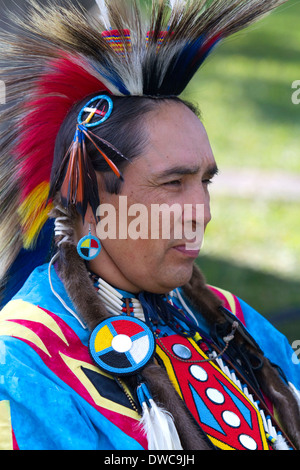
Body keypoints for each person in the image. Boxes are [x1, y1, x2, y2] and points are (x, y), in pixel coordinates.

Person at [0, 0, 299, 451]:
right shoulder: (25, 364)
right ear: (92, 202)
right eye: (173, 183)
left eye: (205, 181)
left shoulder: (228, 318)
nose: (202, 210)